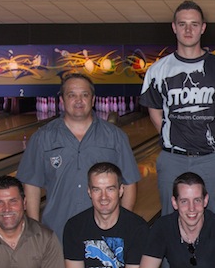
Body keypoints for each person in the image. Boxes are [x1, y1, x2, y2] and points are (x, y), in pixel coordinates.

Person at [140, 0, 215, 218]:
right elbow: (155, 111)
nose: (188, 30)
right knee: (170, 221)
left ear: (203, 27)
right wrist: (176, 135)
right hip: (172, 158)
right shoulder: (157, 70)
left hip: (211, 158)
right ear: (174, 27)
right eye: (183, 24)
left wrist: (209, 133)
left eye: (194, 24)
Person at [18, 73, 140, 243]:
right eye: (71, 95)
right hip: (56, 232)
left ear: (93, 99)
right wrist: (34, 228)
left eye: (84, 95)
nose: (78, 100)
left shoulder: (115, 137)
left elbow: (129, 183)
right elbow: (32, 185)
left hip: (105, 233)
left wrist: (123, 226)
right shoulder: (42, 137)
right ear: (62, 100)